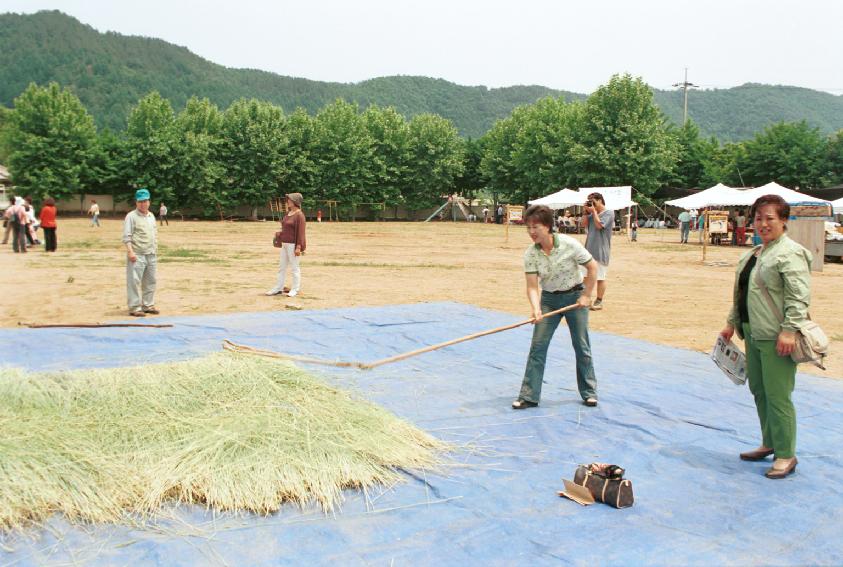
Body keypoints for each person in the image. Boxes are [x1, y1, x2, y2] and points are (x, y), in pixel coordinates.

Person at [720, 194, 812, 479]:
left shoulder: (790, 253)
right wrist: (731, 324)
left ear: (784, 221)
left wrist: (789, 329)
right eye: (758, 218)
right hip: (753, 333)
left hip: (776, 336)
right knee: (759, 391)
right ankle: (769, 442)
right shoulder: (756, 253)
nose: (762, 224)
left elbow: (799, 297)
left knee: (778, 396)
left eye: (769, 218)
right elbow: (742, 294)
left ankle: (786, 454)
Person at [512, 205, 599, 409]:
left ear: (549, 226)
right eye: (528, 228)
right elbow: (533, 287)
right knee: (538, 347)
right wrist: (536, 309)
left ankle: (589, 392)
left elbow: (592, 267)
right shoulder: (531, 254)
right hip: (549, 299)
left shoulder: (569, 244)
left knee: (581, 345)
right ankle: (529, 396)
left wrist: (587, 295)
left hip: (575, 297)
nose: (532, 232)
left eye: (536, 227)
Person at [122, 188, 159, 317]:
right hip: (137, 254)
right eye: (140, 201)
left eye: (145, 201)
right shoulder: (131, 216)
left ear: (149, 202)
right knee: (134, 281)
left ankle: (148, 305)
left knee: (151, 281)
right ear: (136, 202)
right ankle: (134, 307)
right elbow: (127, 236)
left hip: (151, 254)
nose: (143, 204)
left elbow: (154, 234)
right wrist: (130, 252)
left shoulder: (151, 216)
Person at [266, 192, 306, 297]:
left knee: (294, 268)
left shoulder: (299, 215)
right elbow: (286, 228)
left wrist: (298, 247)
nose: (287, 201)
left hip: (293, 245)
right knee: (281, 267)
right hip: (284, 244)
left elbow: (301, 233)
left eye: (290, 199)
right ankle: (278, 288)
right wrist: (279, 234)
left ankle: (295, 289)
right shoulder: (288, 214)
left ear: (295, 202)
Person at [582, 192, 613, 311]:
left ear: (600, 200)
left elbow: (599, 225)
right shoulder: (591, 214)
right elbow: (583, 224)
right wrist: (585, 212)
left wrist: (594, 212)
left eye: (593, 201)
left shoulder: (609, 213)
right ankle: (586, 298)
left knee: (600, 277)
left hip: (600, 251)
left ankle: (599, 300)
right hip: (588, 250)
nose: (592, 204)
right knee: (585, 276)